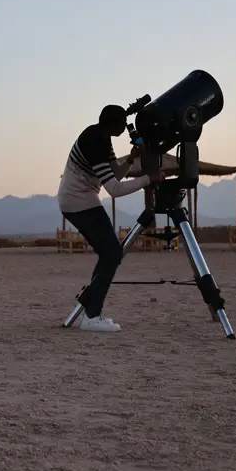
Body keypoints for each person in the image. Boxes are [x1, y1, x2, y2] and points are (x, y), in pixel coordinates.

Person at [57, 104, 164, 332]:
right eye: (123, 125)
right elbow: (114, 189)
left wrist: (131, 160)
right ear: (114, 124)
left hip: (80, 200)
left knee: (109, 254)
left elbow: (114, 174)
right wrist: (148, 179)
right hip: (79, 201)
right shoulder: (96, 141)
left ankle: (90, 308)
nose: (127, 130)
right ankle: (92, 314)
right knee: (112, 253)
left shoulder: (101, 137)